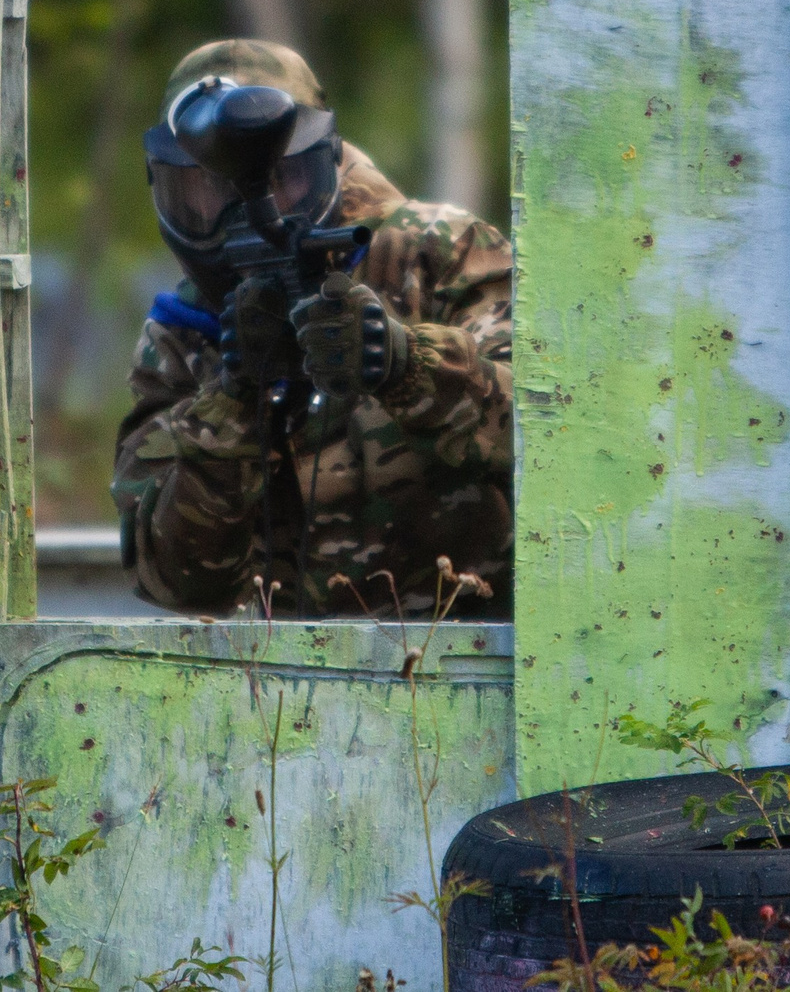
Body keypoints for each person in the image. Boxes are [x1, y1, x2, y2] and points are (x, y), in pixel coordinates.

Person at [111, 40, 513, 617]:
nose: (247, 213)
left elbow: (555, 441)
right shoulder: (183, 334)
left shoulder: (440, 256)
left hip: (481, 665)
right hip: (291, 692)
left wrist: (405, 364)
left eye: (281, 180)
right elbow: (178, 582)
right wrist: (235, 396)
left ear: (325, 160)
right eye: (206, 193)